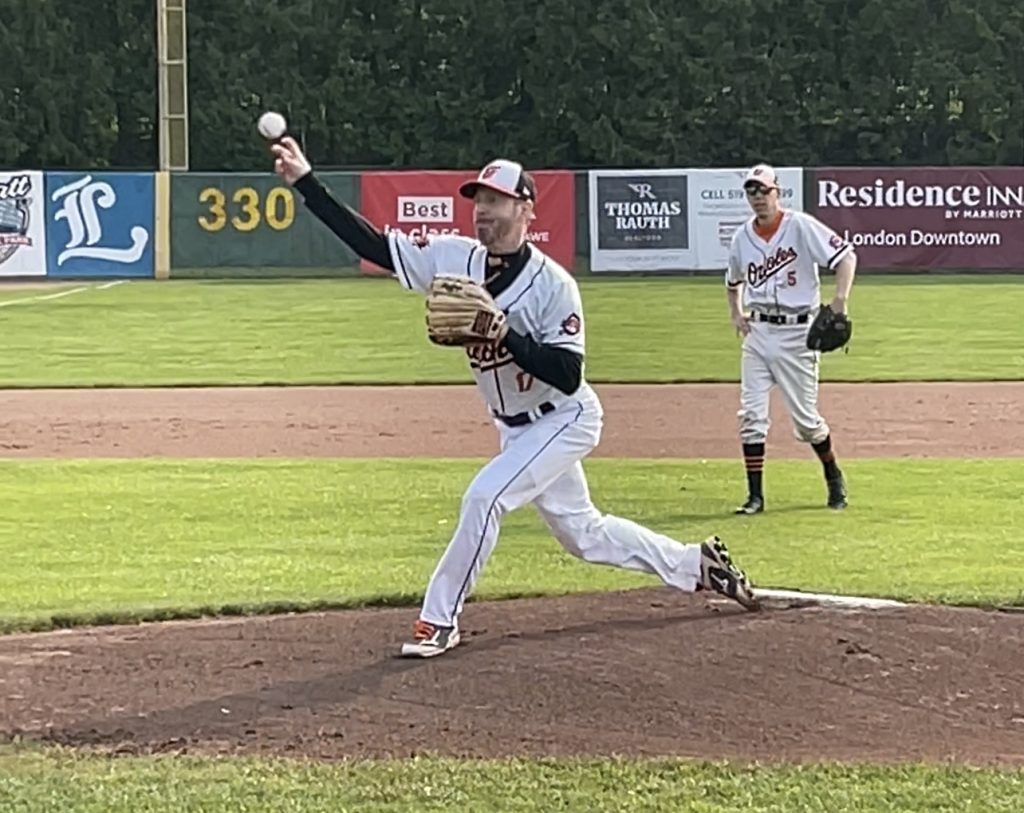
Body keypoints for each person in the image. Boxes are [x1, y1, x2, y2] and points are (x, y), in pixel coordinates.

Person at [271, 136, 760, 658]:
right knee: (585, 535)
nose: (482, 211)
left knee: (484, 499)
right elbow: (371, 245)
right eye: (478, 200)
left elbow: (569, 373)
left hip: (565, 417)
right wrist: (307, 183)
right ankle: (695, 564)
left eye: (495, 200)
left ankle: (438, 621)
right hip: (515, 426)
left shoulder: (554, 286)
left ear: (525, 209)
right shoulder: (453, 258)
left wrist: (504, 334)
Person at [725, 163, 857, 515]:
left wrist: (840, 301)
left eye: (764, 191)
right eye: (751, 191)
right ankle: (755, 497)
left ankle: (833, 475)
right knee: (751, 416)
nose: (758, 198)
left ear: (777, 192)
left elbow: (846, 257)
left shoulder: (799, 225)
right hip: (758, 333)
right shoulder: (742, 237)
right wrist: (736, 313)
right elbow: (732, 280)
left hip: (799, 334)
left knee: (807, 423)